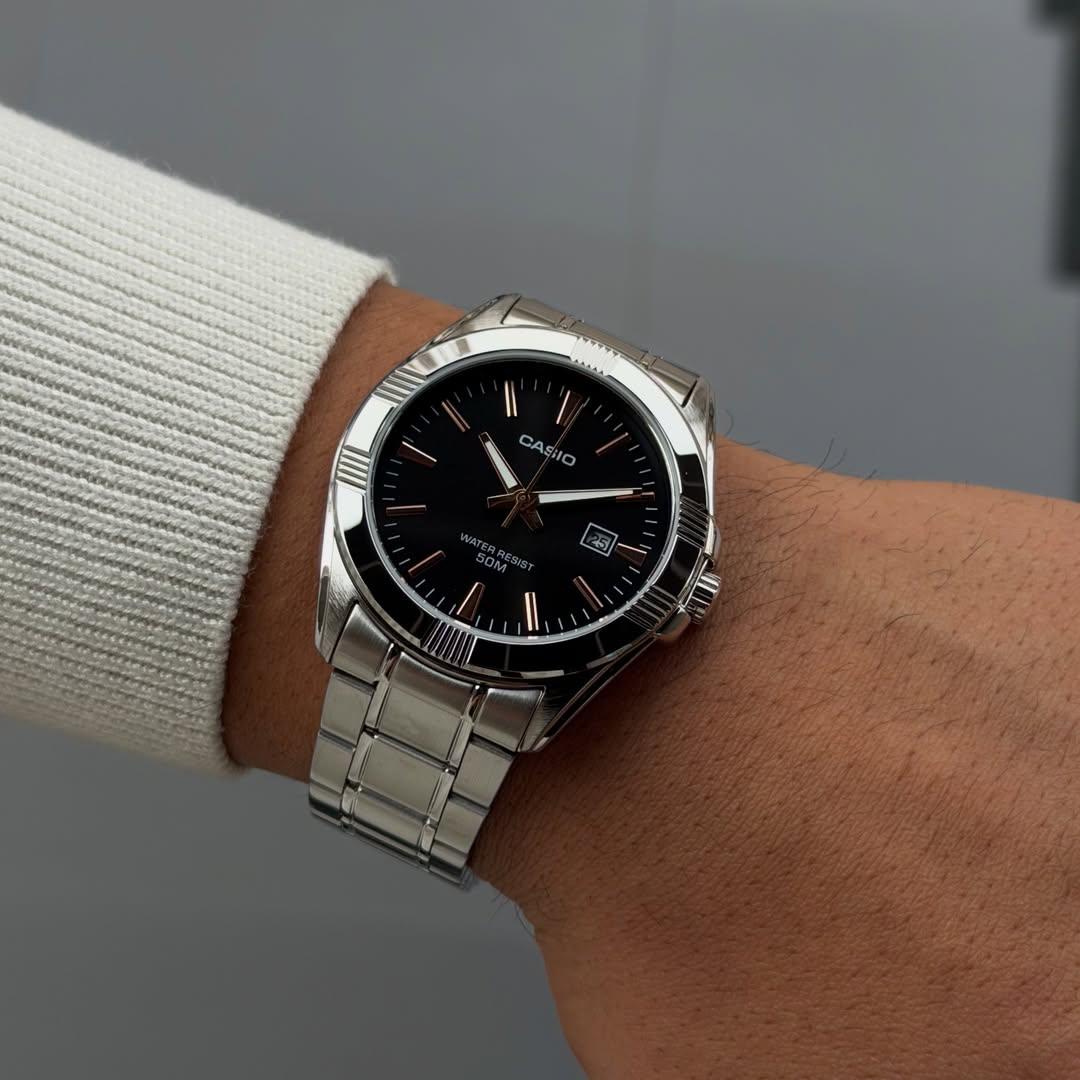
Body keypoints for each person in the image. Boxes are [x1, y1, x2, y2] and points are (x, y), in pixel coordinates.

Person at [2, 104, 1079, 1079]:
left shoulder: (650, 568)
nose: (520, 506)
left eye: (540, 501)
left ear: (681, 595)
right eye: (514, 491)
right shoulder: (399, 470)